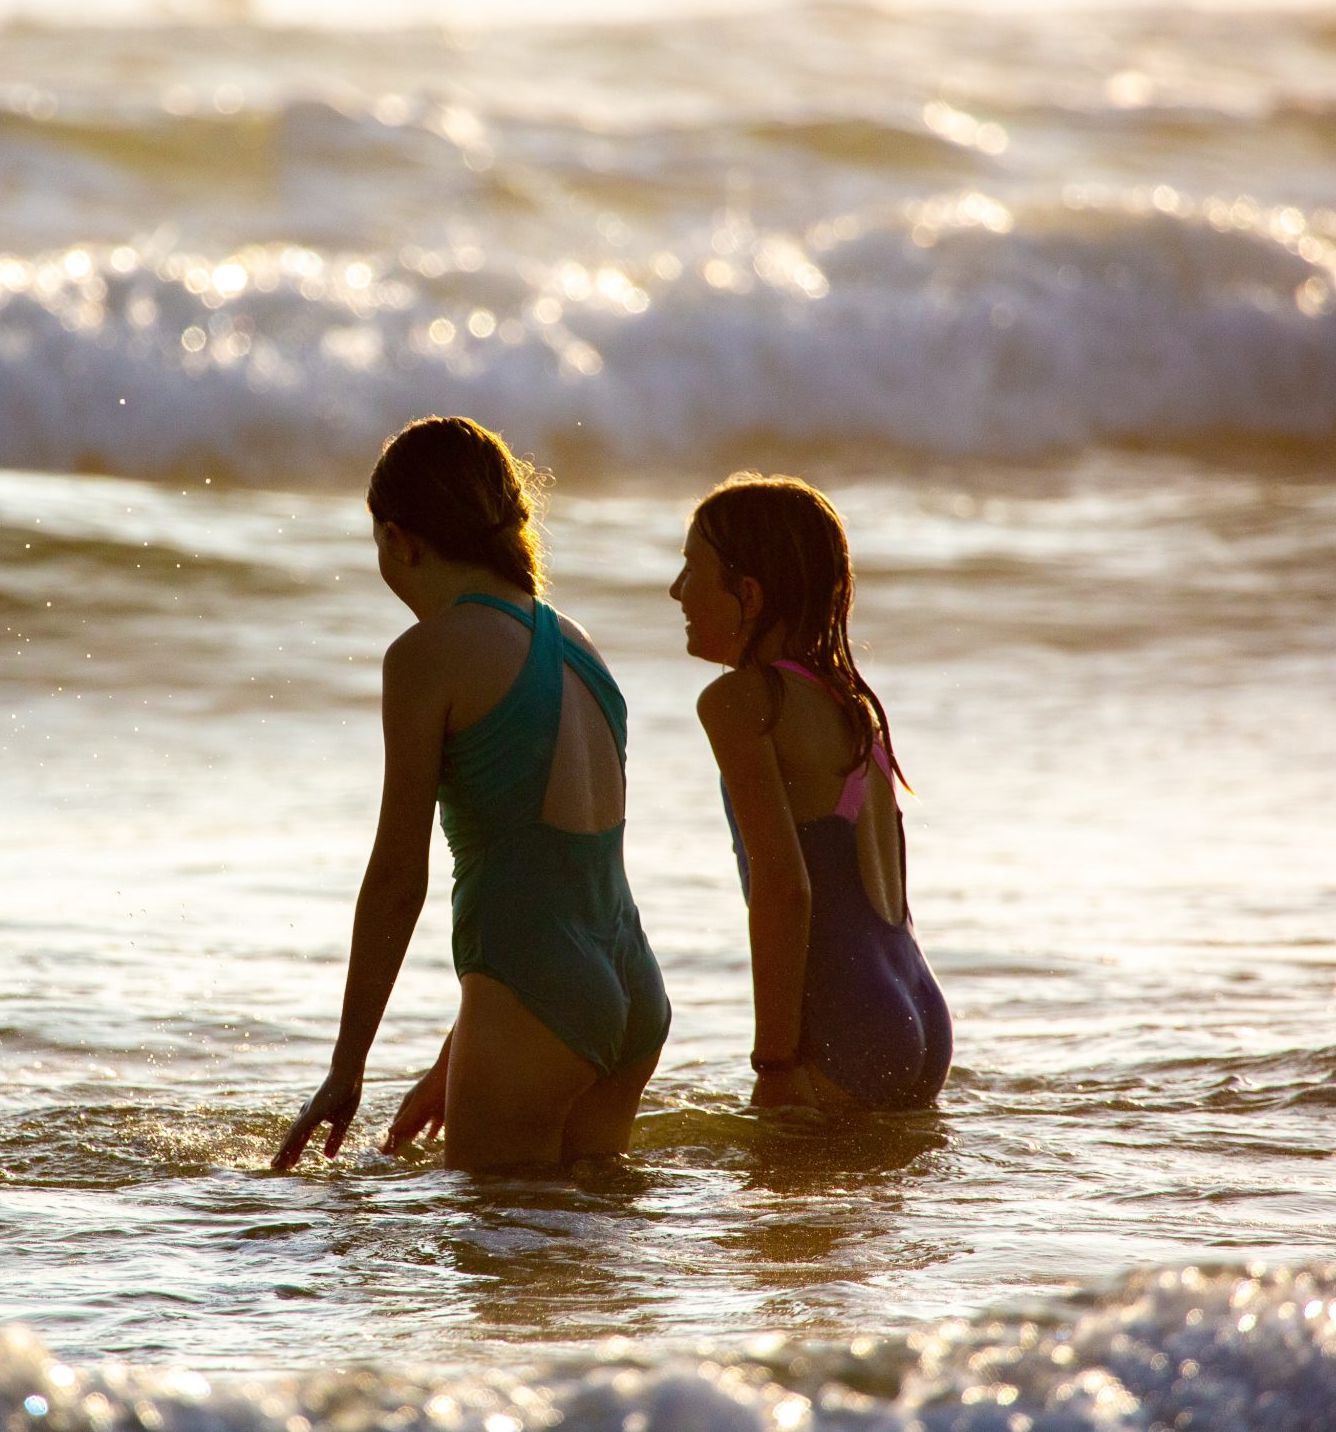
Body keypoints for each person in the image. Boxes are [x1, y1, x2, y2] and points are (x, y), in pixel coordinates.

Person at [272, 417, 668, 1172]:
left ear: (399, 539)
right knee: (587, 1271)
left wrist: (346, 1068)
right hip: (630, 985)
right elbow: (555, 873)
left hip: (535, 992)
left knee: (501, 1270)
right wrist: (463, 1055)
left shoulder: (427, 656)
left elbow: (396, 880)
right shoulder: (577, 643)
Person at [671, 474, 950, 1113]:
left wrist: (772, 1062)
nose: (676, 591)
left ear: (748, 593)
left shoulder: (742, 701)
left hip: (844, 1022)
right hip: (916, 1006)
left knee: (782, 1211)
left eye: (692, 570)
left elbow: (783, 887)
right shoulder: (852, 707)